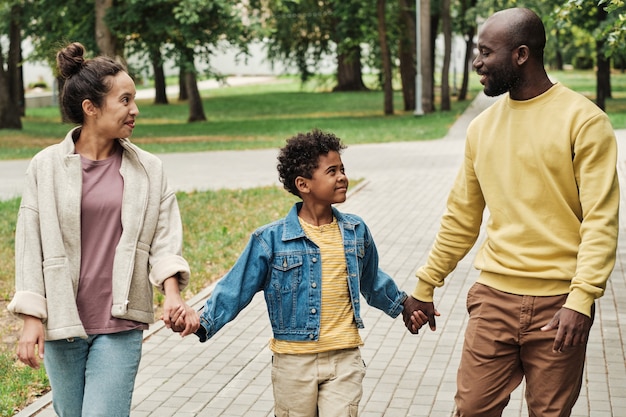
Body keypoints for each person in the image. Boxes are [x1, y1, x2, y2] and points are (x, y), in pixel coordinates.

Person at [402, 7, 619, 417]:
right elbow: (461, 218)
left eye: (486, 52)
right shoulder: (481, 128)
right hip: (493, 300)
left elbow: (601, 221)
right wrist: (426, 284)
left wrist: (582, 299)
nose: (477, 62)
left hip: (560, 304)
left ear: (521, 54)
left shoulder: (584, 122)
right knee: (471, 410)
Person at [175, 129, 427, 416]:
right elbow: (236, 288)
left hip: (344, 358)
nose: (342, 176)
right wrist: (202, 321)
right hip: (293, 363)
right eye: (332, 171)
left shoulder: (355, 231)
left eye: (342, 169)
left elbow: (372, 281)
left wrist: (404, 304)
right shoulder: (270, 240)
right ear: (303, 184)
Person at [7, 42, 199, 417]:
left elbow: (164, 237)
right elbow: (30, 246)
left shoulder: (149, 169)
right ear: (90, 108)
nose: (135, 110)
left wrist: (172, 294)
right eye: (124, 100)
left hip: (120, 322)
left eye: (134, 99)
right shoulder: (45, 167)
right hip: (64, 322)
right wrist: (32, 318)